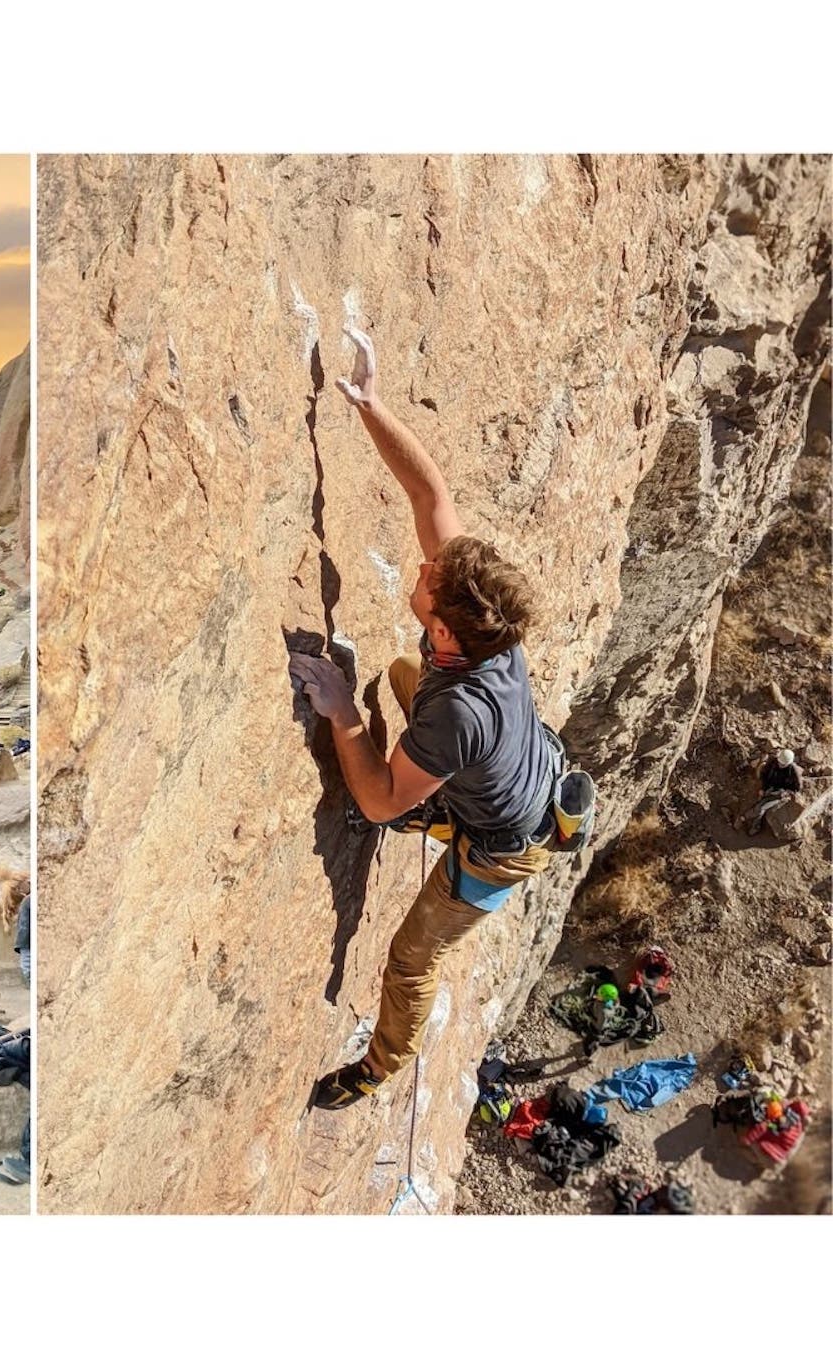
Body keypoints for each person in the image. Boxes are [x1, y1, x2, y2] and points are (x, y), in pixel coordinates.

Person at [289, 326, 560, 1111]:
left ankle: (377, 1067)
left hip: (502, 852)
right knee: (404, 678)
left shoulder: (458, 716)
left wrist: (342, 712)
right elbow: (429, 496)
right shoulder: (483, 625)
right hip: (510, 768)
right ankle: (440, 805)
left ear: (445, 628)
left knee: (412, 960)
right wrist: (371, 406)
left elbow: (376, 803)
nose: (422, 564)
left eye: (428, 577)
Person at [745, 747, 804, 836]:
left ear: (788, 763)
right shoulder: (773, 761)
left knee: (762, 807)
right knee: (759, 801)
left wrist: (784, 793)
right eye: (779, 762)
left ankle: (751, 822)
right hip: (769, 787)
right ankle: (748, 819)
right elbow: (764, 774)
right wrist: (763, 788)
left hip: (780, 793)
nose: (780, 765)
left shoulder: (793, 771)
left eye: (783, 764)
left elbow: (797, 788)